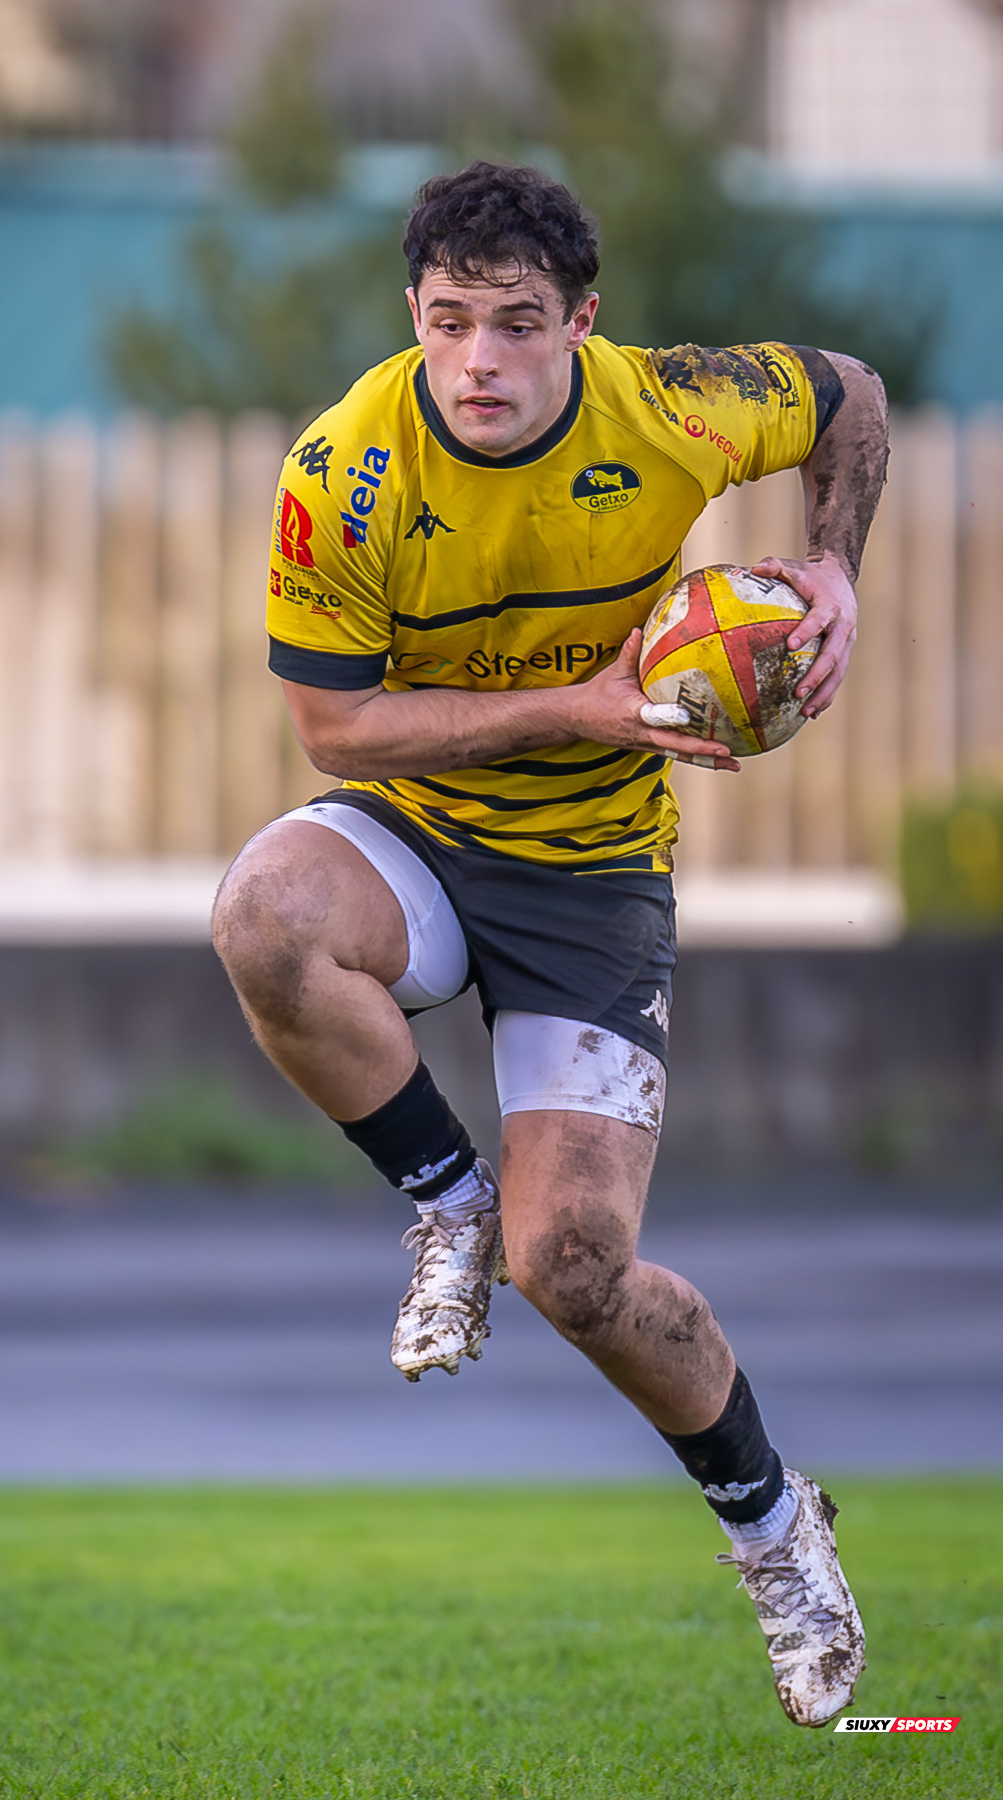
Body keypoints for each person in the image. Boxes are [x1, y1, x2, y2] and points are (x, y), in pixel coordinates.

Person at [212, 161, 889, 1728]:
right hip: (429, 834)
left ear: (583, 325)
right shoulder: (344, 468)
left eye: (520, 325)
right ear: (414, 319)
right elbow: (334, 726)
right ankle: (441, 1200)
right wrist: (580, 705)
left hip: (595, 880)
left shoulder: (669, 410)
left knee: (576, 1268)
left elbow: (847, 391)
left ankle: (783, 1530)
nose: (481, 362)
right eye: (451, 322)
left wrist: (836, 556)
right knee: (267, 911)